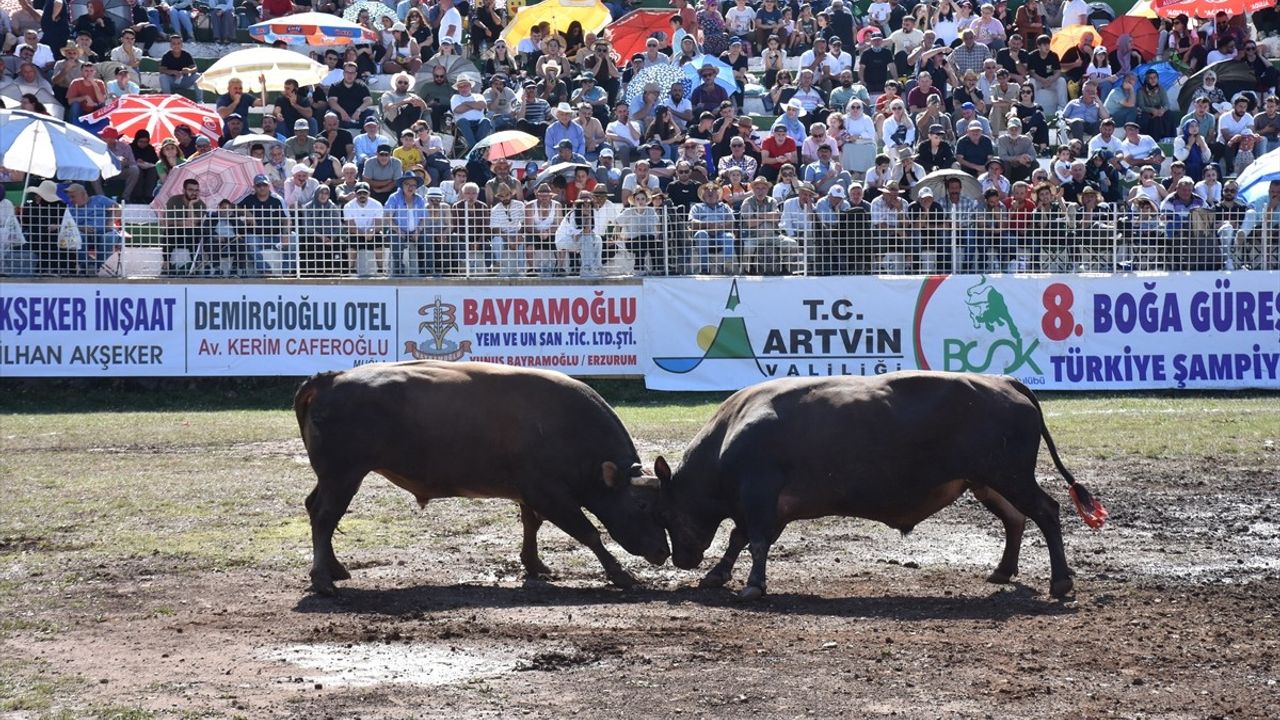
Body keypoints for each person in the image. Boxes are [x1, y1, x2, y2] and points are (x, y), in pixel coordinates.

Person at [237, 174, 291, 276]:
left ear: (269, 186)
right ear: (254, 187)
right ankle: (265, 270)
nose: (262, 187)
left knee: (293, 238)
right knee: (250, 241)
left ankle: (287, 270)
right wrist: (247, 213)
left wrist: (285, 234)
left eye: (264, 185)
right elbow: (233, 206)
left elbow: (286, 219)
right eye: (259, 185)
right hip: (256, 235)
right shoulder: (249, 198)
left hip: (275, 236)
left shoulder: (277, 199)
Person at [688, 181, 736, 273]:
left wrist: (719, 226)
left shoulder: (725, 207)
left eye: (713, 190)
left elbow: (731, 222)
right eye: (707, 190)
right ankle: (705, 268)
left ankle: (727, 267)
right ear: (703, 194)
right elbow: (691, 222)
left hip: (721, 234)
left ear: (718, 194)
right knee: (701, 234)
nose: (710, 192)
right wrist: (707, 225)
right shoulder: (697, 207)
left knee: (729, 237)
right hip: (704, 233)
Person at [157, 35, 202, 102]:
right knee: (162, 77)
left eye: (178, 43)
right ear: (170, 45)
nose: (176, 46)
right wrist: (173, 72)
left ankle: (200, 101)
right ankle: (167, 100)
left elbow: (195, 68)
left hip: (184, 81)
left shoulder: (186, 55)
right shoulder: (166, 55)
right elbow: (161, 70)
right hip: (171, 81)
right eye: (174, 44)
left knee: (197, 76)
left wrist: (189, 70)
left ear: (182, 44)